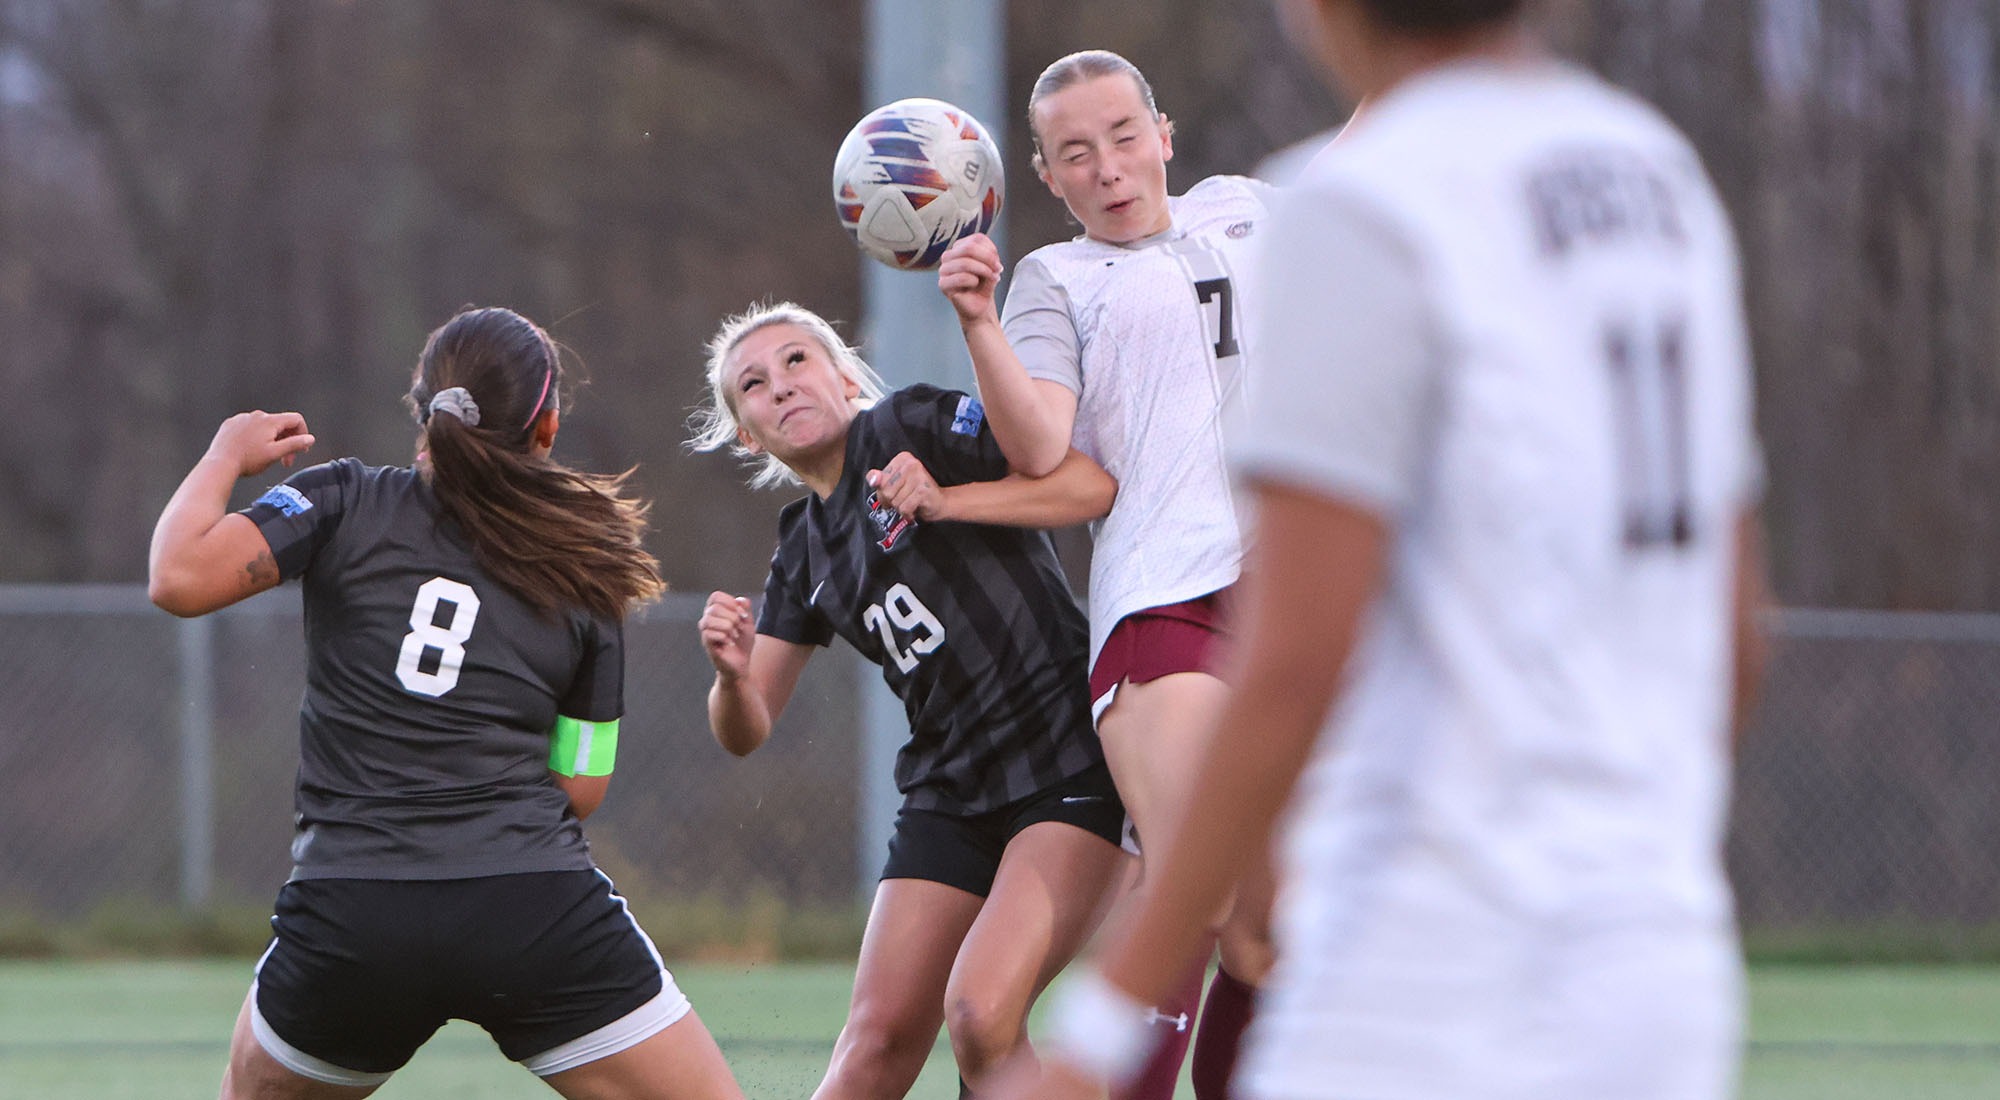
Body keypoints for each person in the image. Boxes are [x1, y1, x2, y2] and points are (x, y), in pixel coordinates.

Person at [1000, 2, 1774, 1099]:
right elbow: (1733, 623)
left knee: (1257, 930)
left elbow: (1291, 658)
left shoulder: (1349, 202)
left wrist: (1099, 1031)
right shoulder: (1656, 176)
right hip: (1655, 953)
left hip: (1436, 949)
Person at [147, 307, 745, 1100]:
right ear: (549, 426)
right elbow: (583, 788)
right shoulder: (587, 555)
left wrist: (226, 454)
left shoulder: (339, 501)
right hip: (530, 905)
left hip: (355, 914)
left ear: (422, 408)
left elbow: (177, 577)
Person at [934, 48, 1276, 1100]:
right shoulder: (1053, 278)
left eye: (1124, 136)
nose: (1109, 167)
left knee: (1269, 942)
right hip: (1161, 609)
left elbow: (1379, 127)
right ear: (1045, 175)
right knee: (1191, 892)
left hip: (1277, 613)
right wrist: (978, 322)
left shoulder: (1252, 209)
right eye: (1075, 153)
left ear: (1163, 135)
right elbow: (1040, 444)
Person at [687, 302, 1129, 1099]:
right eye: (753, 384)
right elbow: (746, 729)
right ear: (746, 433)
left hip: (1064, 761)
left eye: (796, 361)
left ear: (845, 374)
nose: (781, 386)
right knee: (874, 1048)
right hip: (951, 791)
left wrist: (949, 501)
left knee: (979, 1014)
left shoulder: (912, 423)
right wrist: (727, 674)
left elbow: (1088, 484)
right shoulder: (802, 551)